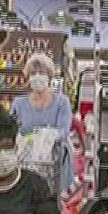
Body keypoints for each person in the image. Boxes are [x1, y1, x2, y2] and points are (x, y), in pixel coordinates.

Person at [10, 52, 74, 194]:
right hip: (25, 163)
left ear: (49, 76)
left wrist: (43, 138)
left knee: (51, 199)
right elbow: (11, 131)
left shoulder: (62, 102)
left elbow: (63, 131)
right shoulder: (18, 103)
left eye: (42, 72)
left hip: (54, 162)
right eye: (33, 73)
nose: (37, 76)